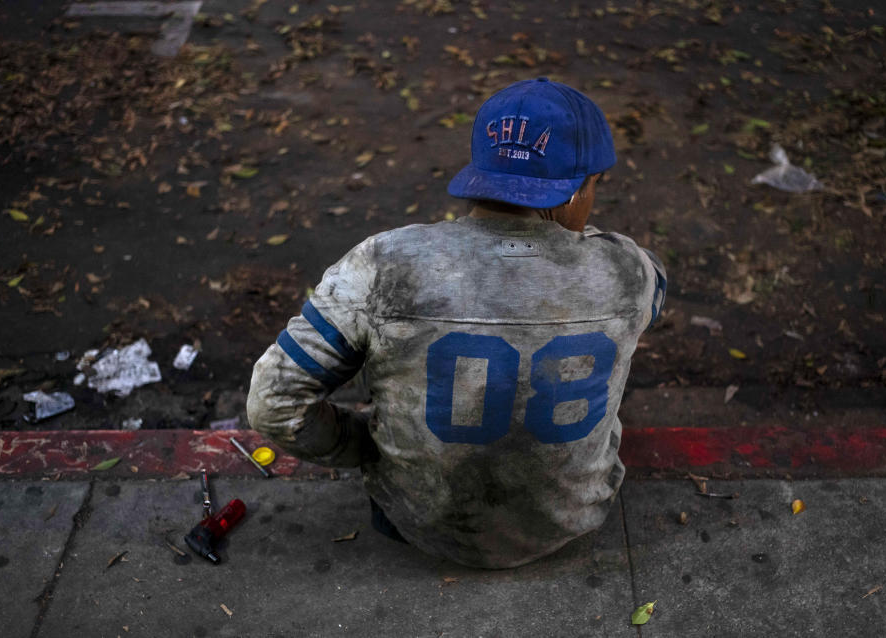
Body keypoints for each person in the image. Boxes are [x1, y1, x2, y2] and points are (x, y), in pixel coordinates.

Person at [247, 77, 667, 569]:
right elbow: (654, 290)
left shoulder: (383, 263)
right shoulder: (629, 271)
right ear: (574, 194)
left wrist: (363, 446)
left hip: (415, 522)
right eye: (595, 184)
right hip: (567, 523)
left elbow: (273, 404)